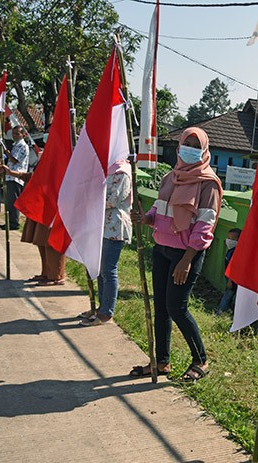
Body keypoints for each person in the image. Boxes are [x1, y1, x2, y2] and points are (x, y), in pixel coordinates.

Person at [130, 127, 222, 380]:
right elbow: (159, 210)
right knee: (161, 307)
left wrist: (186, 261)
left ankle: (201, 360)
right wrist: (144, 218)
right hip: (162, 249)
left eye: (196, 144)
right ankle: (161, 361)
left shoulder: (208, 183)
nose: (190, 147)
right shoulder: (170, 177)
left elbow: (205, 226)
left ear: (204, 149)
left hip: (186, 255)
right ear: (179, 146)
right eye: (187, 142)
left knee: (176, 307)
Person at [81, 158, 133, 326]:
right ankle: (101, 308)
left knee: (109, 270)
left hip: (114, 227)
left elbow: (114, 199)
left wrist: (91, 200)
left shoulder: (123, 172)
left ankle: (107, 312)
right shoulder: (106, 168)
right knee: (102, 269)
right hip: (102, 225)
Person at [4, 164, 66, 286]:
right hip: (41, 207)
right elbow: (33, 177)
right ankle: (47, 273)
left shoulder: (62, 162)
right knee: (41, 241)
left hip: (54, 209)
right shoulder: (46, 161)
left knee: (52, 243)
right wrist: (11, 172)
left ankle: (57, 276)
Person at [1, 126, 30, 230]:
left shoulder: (22, 146)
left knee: (13, 200)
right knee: (9, 201)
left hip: (16, 177)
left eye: (17, 133)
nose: (14, 136)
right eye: (13, 133)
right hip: (10, 176)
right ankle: (10, 222)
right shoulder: (15, 145)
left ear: (23, 134)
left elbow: (14, 160)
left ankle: (14, 223)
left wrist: (6, 152)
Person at [215, 227, 241, 315]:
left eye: (233, 239)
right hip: (230, 278)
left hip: (232, 279)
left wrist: (230, 281)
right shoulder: (231, 251)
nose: (230, 241)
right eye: (229, 238)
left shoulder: (235, 253)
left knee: (228, 294)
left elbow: (233, 268)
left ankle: (220, 311)